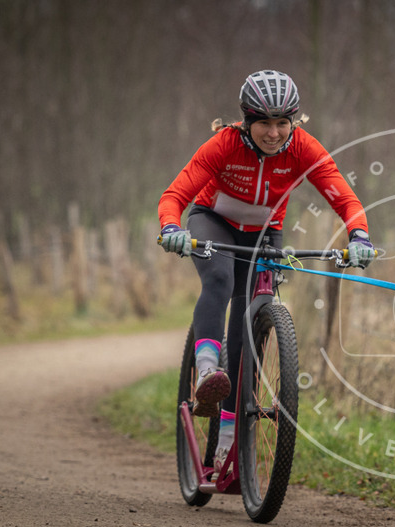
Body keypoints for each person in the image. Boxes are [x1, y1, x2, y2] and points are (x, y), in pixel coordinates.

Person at [158, 70, 375, 473]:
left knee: (249, 324)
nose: (273, 133)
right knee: (220, 280)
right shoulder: (222, 145)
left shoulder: (304, 149)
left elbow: (344, 197)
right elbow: (176, 194)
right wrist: (171, 227)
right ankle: (206, 370)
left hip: (265, 233)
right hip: (213, 222)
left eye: (282, 123)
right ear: (245, 121)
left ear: (294, 122)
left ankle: (227, 436)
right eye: (264, 123)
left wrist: (359, 235)